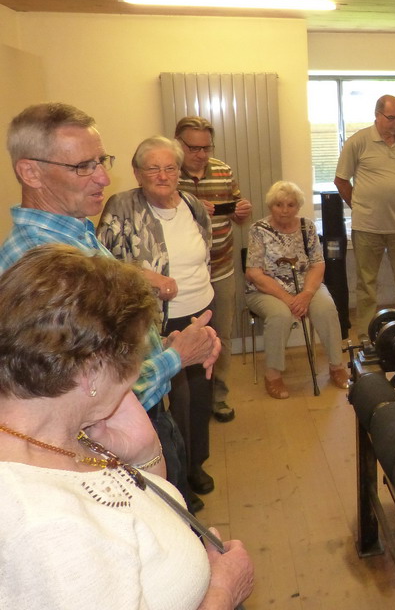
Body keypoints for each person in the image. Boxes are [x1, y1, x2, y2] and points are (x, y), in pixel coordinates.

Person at [0, 244, 253, 610]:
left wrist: (145, 451)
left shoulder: (57, 428)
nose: (137, 371)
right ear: (92, 371)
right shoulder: (46, 527)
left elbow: (140, 515)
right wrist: (224, 593)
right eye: (137, 353)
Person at [0, 103, 219, 512]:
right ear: (30, 172)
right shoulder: (44, 265)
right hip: (117, 446)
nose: (102, 177)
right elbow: (85, 404)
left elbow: (101, 353)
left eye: (101, 161)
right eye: (83, 166)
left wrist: (161, 344)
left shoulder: (76, 235)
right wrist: (176, 357)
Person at [98, 136, 217, 512]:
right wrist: (150, 278)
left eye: (170, 168)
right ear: (137, 172)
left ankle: (196, 464)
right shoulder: (122, 206)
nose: (163, 175)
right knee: (174, 402)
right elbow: (101, 264)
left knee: (200, 396)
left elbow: (206, 251)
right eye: (153, 168)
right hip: (157, 320)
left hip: (201, 309)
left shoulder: (192, 204)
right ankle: (177, 476)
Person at [175, 116, 253, 424]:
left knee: (222, 334)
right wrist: (192, 208)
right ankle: (187, 401)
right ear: (178, 144)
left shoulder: (223, 171)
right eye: (193, 148)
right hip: (184, 276)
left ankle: (219, 396)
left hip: (221, 268)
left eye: (206, 148)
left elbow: (236, 212)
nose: (201, 155)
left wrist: (241, 211)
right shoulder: (168, 173)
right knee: (184, 336)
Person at [245, 181, 348, 399]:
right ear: (271, 206)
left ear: (298, 206)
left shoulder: (307, 227)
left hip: (305, 286)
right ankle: (273, 375)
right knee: (280, 315)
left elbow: (318, 264)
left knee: (326, 308)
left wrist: (307, 294)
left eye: (290, 205)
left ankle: (337, 366)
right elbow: (254, 273)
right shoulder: (258, 230)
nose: (284, 210)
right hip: (266, 290)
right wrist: (288, 299)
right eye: (279, 205)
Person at [334, 94, 395, 337]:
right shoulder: (358, 141)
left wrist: (392, 198)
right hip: (367, 228)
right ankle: (366, 337)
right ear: (377, 115)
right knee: (367, 284)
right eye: (391, 118)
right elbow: (341, 181)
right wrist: (359, 206)